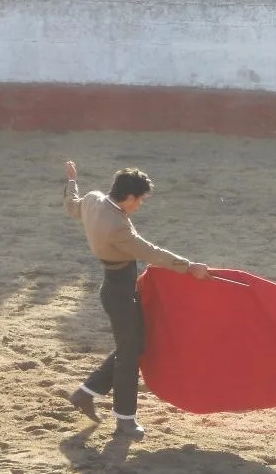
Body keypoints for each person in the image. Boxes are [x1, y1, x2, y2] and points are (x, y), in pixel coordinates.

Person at [62, 160, 212, 438]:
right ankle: (125, 419)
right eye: (140, 200)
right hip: (119, 292)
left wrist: (72, 180)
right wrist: (189, 266)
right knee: (130, 354)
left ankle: (86, 393)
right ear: (129, 197)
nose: (139, 205)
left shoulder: (94, 199)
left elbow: (72, 205)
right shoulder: (118, 227)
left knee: (132, 345)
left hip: (116, 286)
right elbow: (150, 251)